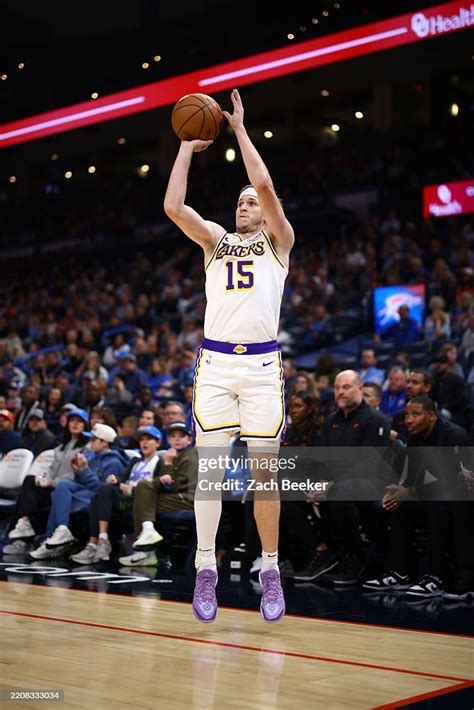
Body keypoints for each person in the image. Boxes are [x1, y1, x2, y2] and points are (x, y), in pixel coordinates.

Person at [164, 89, 294, 623]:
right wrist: (186, 145)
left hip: (262, 368)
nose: (245, 205)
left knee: (266, 478)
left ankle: (271, 573)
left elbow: (263, 183)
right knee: (210, 476)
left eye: (250, 202)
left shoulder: (279, 242)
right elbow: (174, 208)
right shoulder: (215, 240)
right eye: (239, 202)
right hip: (216, 366)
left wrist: (238, 129)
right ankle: (205, 570)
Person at [70, 426, 163, 565]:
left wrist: (132, 489)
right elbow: (122, 478)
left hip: (139, 500)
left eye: (149, 439)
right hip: (124, 496)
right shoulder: (135, 461)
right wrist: (115, 480)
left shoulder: (159, 462)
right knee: (101, 492)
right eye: (142, 439)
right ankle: (98, 542)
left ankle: (98, 543)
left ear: (158, 443)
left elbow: (156, 487)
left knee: (101, 494)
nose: (144, 442)